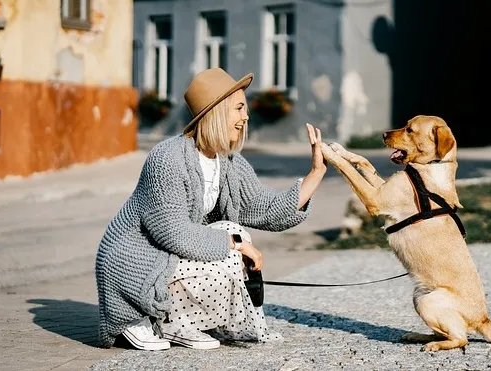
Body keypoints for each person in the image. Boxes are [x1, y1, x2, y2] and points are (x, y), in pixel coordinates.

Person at [95, 68, 327, 351]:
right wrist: (236, 246)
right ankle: (155, 320)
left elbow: (264, 209)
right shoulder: (166, 159)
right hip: (136, 263)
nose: (246, 117)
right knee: (232, 242)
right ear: (216, 112)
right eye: (239, 108)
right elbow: (173, 232)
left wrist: (315, 173)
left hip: (170, 258)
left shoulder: (228, 162)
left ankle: (184, 322)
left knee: (234, 232)